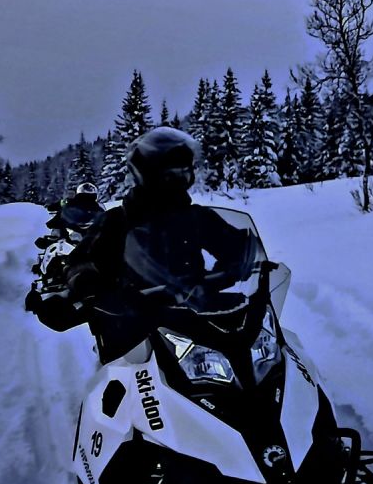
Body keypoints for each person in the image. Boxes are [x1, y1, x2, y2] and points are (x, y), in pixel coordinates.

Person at [26, 128, 251, 360]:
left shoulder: (196, 217)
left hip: (194, 321)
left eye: (185, 168)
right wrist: (87, 285)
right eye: (174, 169)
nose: (182, 175)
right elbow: (81, 262)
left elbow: (236, 247)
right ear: (151, 172)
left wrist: (240, 265)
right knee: (118, 389)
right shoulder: (116, 221)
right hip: (131, 330)